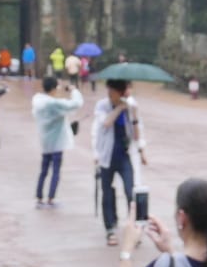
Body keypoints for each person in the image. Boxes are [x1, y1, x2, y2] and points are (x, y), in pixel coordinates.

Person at [95, 78, 148, 245]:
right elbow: (106, 122)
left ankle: (134, 228)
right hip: (107, 157)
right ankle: (110, 229)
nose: (110, 94)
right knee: (108, 193)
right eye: (109, 91)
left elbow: (137, 135)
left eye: (113, 92)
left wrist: (134, 115)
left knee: (130, 190)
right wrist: (119, 108)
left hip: (124, 156)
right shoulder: (103, 105)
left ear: (121, 92)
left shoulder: (131, 106)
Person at [32, 74, 84, 207]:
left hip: (45, 142)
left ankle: (39, 196)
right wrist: (74, 90)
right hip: (57, 144)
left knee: (43, 171)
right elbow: (76, 104)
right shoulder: (53, 104)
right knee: (55, 171)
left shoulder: (38, 101)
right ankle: (51, 198)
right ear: (54, 88)